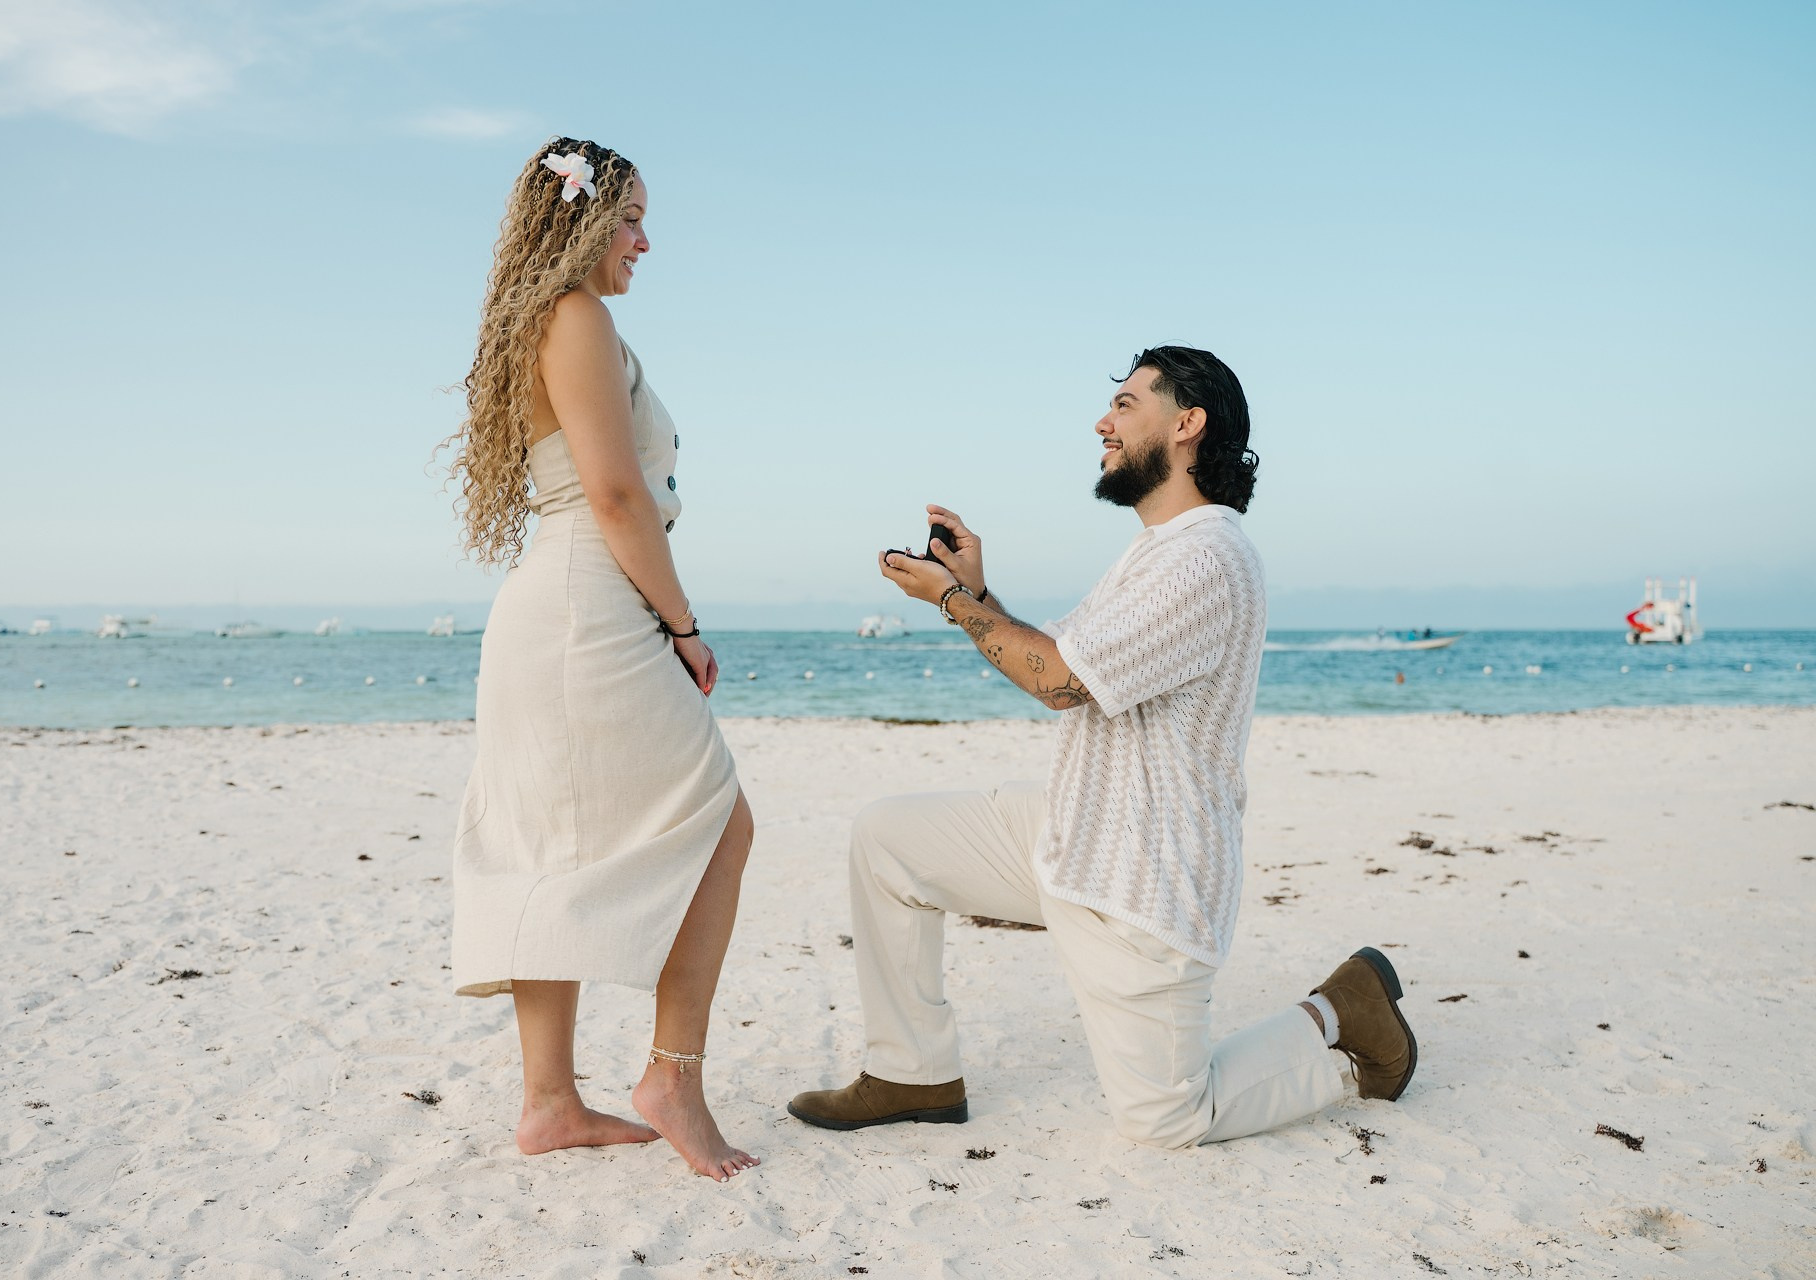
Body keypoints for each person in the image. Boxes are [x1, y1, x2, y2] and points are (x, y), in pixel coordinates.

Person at [787, 346, 1417, 1148]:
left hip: (1144, 880)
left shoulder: (1206, 557)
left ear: (1187, 424)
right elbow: (1063, 657)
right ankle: (914, 1075)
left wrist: (949, 598)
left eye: (1124, 404)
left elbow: (1057, 682)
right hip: (1074, 832)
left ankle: (1344, 1014)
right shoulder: (1157, 548)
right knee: (888, 839)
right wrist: (977, 593)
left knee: (1167, 1119)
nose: (1102, 421)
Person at [444, 138, 757, 1180]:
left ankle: (548, 1104)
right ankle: (670, 1076)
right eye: (628, 219)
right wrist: (682, 624)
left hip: (560, 604)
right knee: (719, 816)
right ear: (579, 220)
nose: (644, 240)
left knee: (549, 849)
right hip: (590, 609)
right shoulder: (578, 316)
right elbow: (618, 498)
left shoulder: (543, 319)